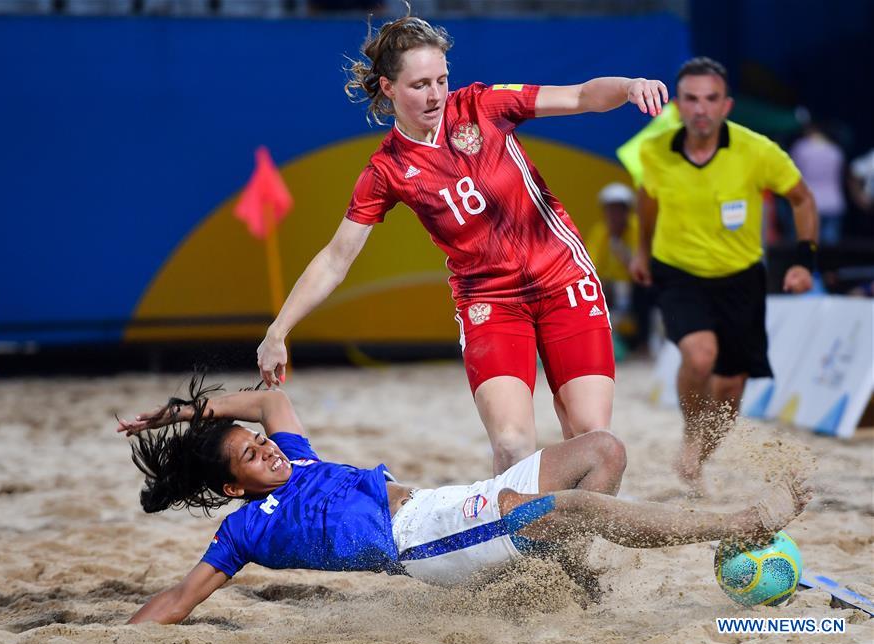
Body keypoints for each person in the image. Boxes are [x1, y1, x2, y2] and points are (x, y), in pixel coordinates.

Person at [255, 12, 670, 475]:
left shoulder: (482, 106)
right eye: (419, 85)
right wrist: (278, 331)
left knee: (592, 436)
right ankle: (526, 544)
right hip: (490, 301)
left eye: (441, 80)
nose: (435, 95)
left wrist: (631, 84)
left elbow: (579, 95)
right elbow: (336, 258)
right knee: (513, 446)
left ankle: (571, 543)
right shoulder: (386, 170)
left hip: (563, 278)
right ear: (388, 88)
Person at [117, 376, 811, 625]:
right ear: (234, 486)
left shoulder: (294, 457)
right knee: (571, 511)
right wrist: (126, 635)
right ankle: (740, 524)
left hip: (453, 503)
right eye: (250, 455)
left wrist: (180, 413)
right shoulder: (241, 532)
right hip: (427, 546)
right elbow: (176, 602)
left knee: (602, 450)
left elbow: (270, 399)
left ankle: (561, 574)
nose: (267, 449)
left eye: (258, 443)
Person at [629, 57, 819, 495]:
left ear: (726, 105)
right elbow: (647, 199)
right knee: (699, 356)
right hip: (678, 271)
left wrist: (803, 262)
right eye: (691, 99)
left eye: (711, 99)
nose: (701, 109)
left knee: (732, 387)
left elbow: (802, 199)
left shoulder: (757, 151)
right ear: (677, 106)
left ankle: (699, 457)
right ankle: (691, 435)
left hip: (740, 276)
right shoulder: (654, 151)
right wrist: (642, 251)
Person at [585, 182, 651, 352]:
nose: (614, 215)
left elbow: (641, 266)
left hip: (634, 284)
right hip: (611, 287)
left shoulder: (637, 228)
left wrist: (619, 247)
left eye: (618, 209)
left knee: (645, 292)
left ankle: (644, 343)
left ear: (626, 211)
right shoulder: (600, 232)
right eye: (610, 209)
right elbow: (590, 267)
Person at [789, 122, 846, 245]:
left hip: (809, 202)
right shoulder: (835, 150)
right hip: (833, 202)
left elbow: (792, 173)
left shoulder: (801, 148)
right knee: (831, 250)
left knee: (808, 246)